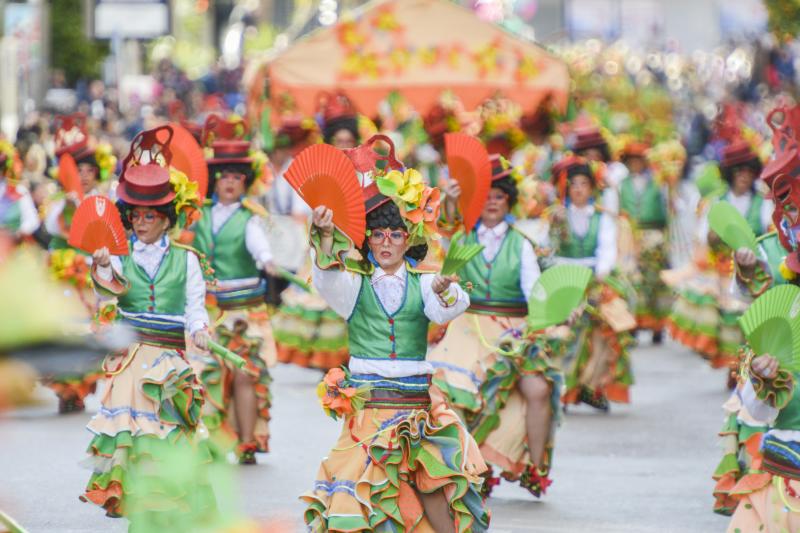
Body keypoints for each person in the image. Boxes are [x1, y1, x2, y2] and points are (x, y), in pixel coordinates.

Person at [301, 137, 489, 532]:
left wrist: (445, 290)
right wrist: (321, 234)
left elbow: (452, 305)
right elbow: (326, 280)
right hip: (369, 409)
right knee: (364, 496)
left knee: (435, 488)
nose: (386, 243)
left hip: (415, 404)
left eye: (396, 235)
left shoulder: (423, 283)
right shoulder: (354, 285)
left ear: (409, 239)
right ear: (366, 239)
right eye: (378, 235)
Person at [81, 126, 215, 521]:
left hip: (171, 362)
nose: (141, 223)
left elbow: (195, 307)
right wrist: (102, 268)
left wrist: (200, 330)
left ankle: (168, 512)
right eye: (136, 215)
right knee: (135, 443)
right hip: (131, 361)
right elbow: (107, 299)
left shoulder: (187, 259)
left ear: (165, 219)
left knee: (170, 440)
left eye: (150, 216)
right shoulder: (120, 255)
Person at [430, 151, 562, 497]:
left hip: (511, 328)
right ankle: (465, 466)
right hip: (468, 326)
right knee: (455, 390)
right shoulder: (461, 236)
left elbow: (535, 290)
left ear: (509, 201)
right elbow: (439, 228)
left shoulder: (521, 243)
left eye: (499, 196)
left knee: (539, 389)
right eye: (485, 196)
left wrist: (555, 310)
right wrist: (450, 199)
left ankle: (535, 468)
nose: (492, 203)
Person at [191, 114, 276, 464]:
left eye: (236, 176)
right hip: (209, 308)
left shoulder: (250, 217)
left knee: (243, 374)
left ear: (246, 181)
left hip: (243, 309)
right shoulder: (199, 214)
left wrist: (267, 259)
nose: (229, 182)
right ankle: (214, 440)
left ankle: (246, 442)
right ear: (214, 178)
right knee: (206, 376)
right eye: (224, 175)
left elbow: (259, 245)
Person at [543, 155, 635, 410]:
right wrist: (555, 227)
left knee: (604, 333)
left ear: (592, 188)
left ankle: (592, 386)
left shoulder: (602, 217)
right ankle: (561, 388)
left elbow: (606, 251)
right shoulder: (555, 216)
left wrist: (598, 278)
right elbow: (546, 251)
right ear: (566, 188)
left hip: (593, 280)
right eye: (574, 184)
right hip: (562, 281)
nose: (579, 189)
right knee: (561, 336)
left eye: (584, 183)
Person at [43, 113, 117, 413]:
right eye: (79, 170)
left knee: (90, 329)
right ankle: (65, 390)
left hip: (91, 271)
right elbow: (49, 227)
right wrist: (68, 202)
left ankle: (82, 386)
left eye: (89, 170)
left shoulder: (102, 199)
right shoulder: (59, 201)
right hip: (64, 270)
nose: (84, 176)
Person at [617, 141, 672, 343]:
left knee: (655, 281)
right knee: (632, 280)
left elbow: (669, 211)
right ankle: (634, 323)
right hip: (630, 236)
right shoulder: (621, 184)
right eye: (632, 161)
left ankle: (657, 326)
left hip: (653, 235)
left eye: (639, 161)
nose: (635, 165)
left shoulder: (658, 182)